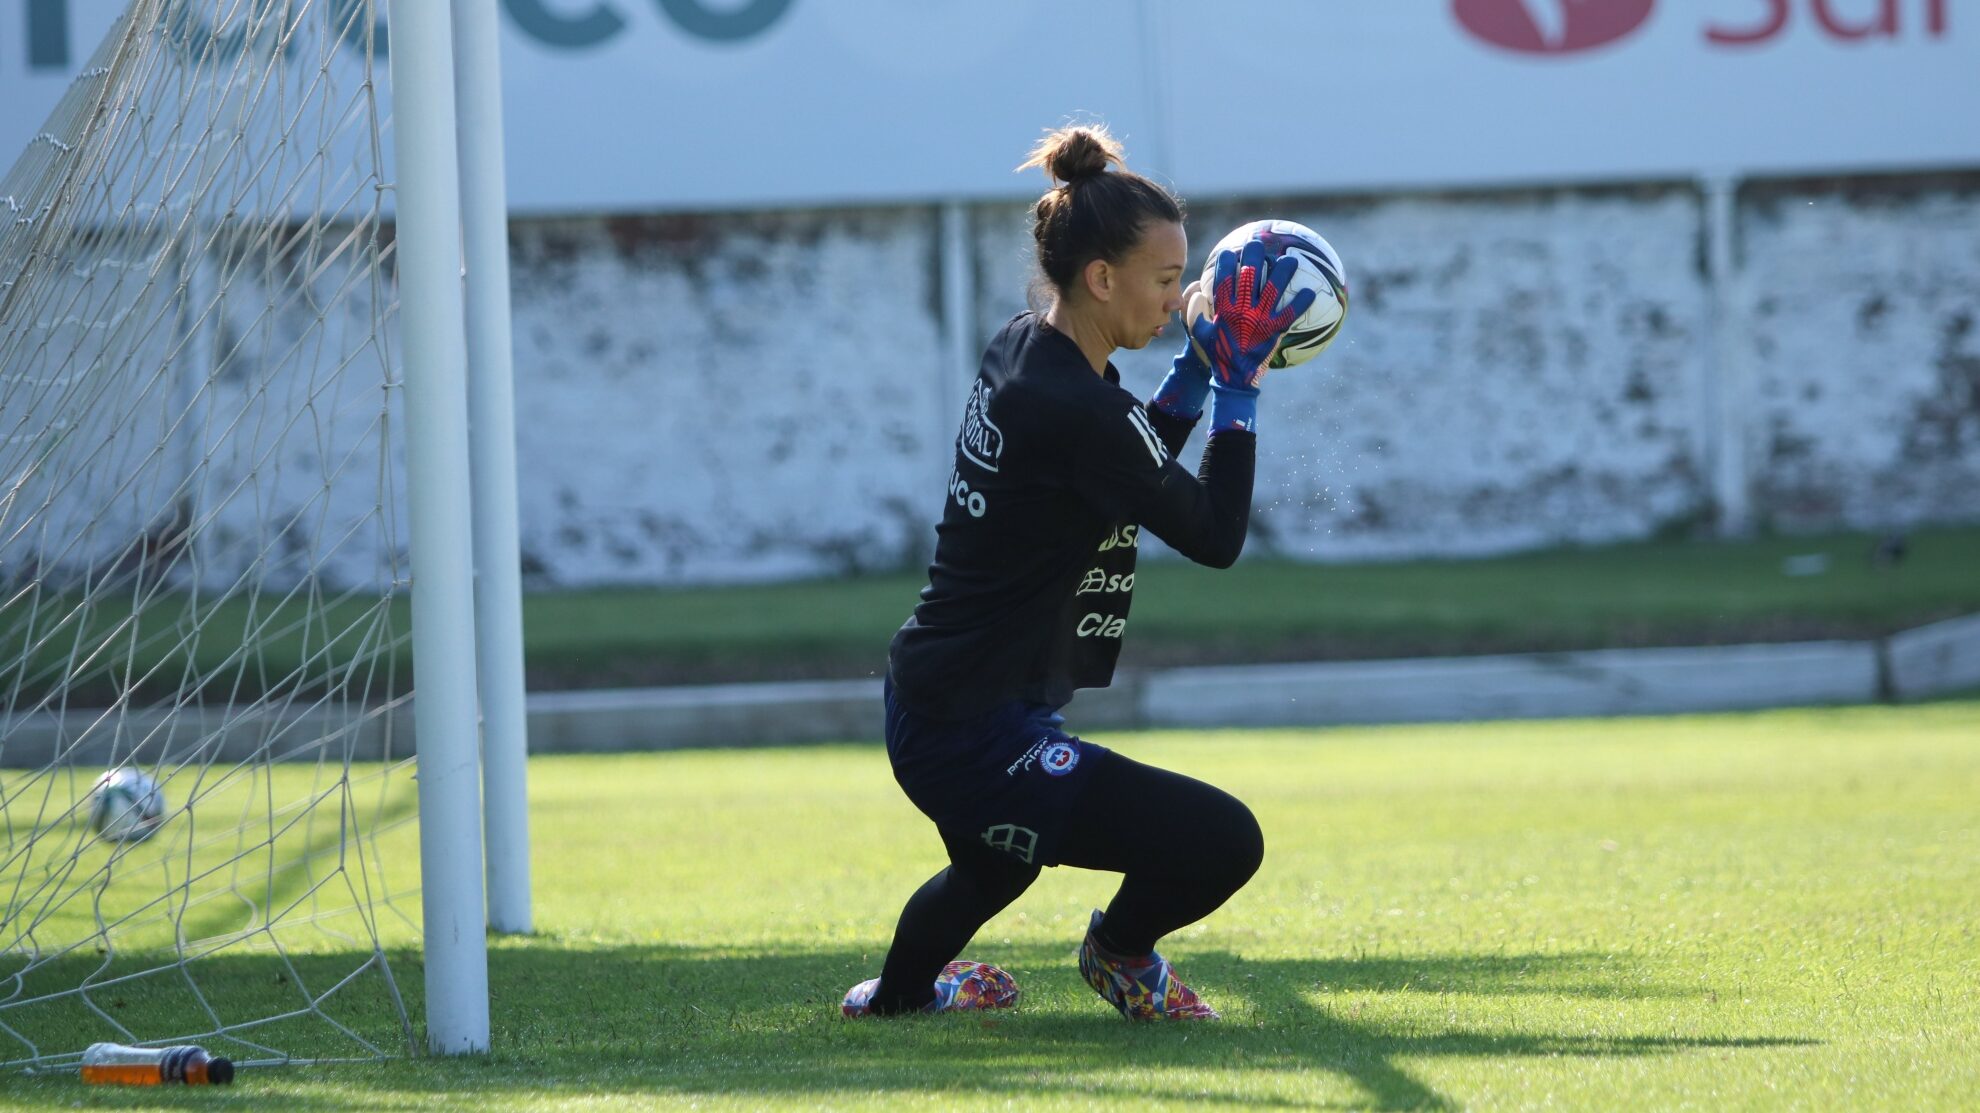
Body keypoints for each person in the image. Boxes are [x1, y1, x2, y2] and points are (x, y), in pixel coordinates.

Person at [841, 123, 1315, 1022]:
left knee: (995, 864)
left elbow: (1120, 465)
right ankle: (1120, 953)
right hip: (974, 733)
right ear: (1102, 277)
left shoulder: (1026, 346)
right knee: (1225, 839)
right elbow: (1212, 533)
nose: (1181, 302)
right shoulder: (1076, 407)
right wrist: (1238, 391)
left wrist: (1191, 374)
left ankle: (898, 999)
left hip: (936, 698)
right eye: (1168, 282)